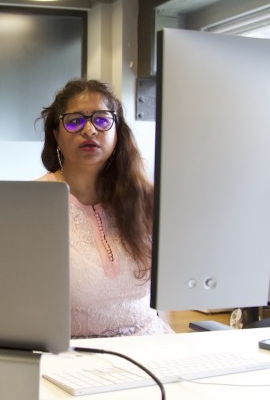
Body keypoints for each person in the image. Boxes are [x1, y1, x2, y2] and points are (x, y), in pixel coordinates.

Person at [36, 78, 174, 338]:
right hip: (74, 357)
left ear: (117, 131)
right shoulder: (32, 202)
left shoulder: (145, 197)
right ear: (56, 133)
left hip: (152, 347)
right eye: (74, 121)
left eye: (101, 120)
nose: (89, 130)